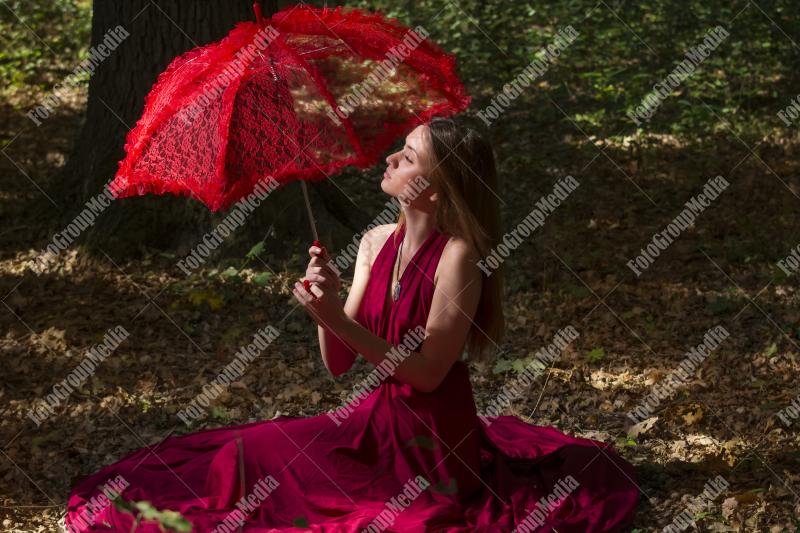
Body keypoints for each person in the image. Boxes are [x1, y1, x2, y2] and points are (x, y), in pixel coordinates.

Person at [66, 117, 638, 532]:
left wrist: (336, 318)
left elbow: (428, 374)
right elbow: (338, 363)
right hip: (372, 419)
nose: (390, 160)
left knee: (307, 487)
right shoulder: (374, 241)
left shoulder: (459, 256)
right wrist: (330, 305)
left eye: (407, 157)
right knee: (242, 455)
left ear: (435, 185)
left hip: (431, 441)